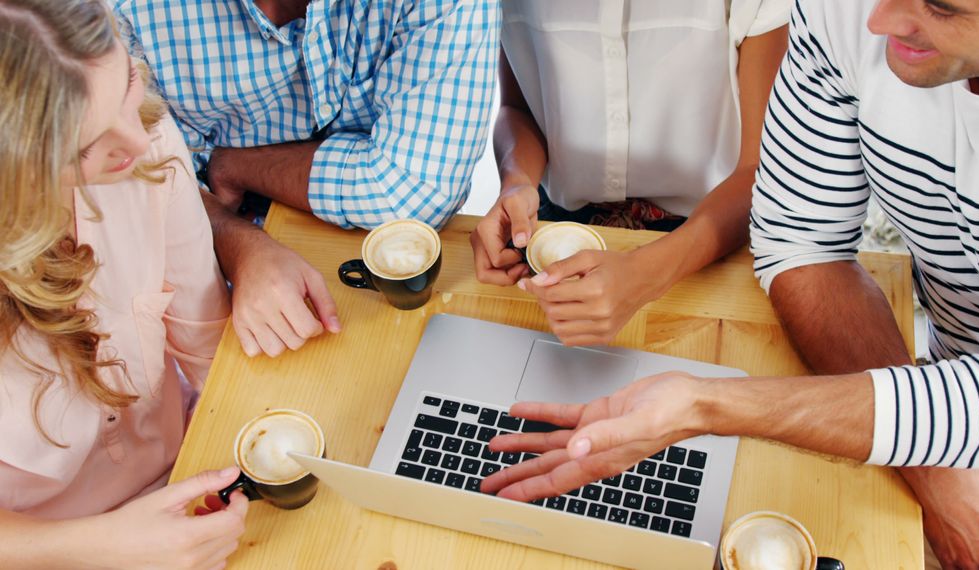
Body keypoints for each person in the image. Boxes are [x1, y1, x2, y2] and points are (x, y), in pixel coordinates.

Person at [480, 1, 979, 569]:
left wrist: (703, 403)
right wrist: (941, 468)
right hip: (938, 407)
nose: (877, 19)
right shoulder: (849, 12)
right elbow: (800, 244)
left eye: (944, 7)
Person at [0, 1, 248, 567]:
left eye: (128, 86)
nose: (137, 142)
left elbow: (211, 354)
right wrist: (100, 549)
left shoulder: (147, 146)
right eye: (84, 147)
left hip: (186, 479)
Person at [111, 0, 500, 357]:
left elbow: (414, 191)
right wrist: (239, 244)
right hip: (207, 293)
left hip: (383, 282)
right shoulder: (126, 12)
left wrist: (231, 167)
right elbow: (147, 189)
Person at [469, 0, 790, 346]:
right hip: (556, 231)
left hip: (710, 236)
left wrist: (644, 276)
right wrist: (516, 183)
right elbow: (517, 108)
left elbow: (762, 169)